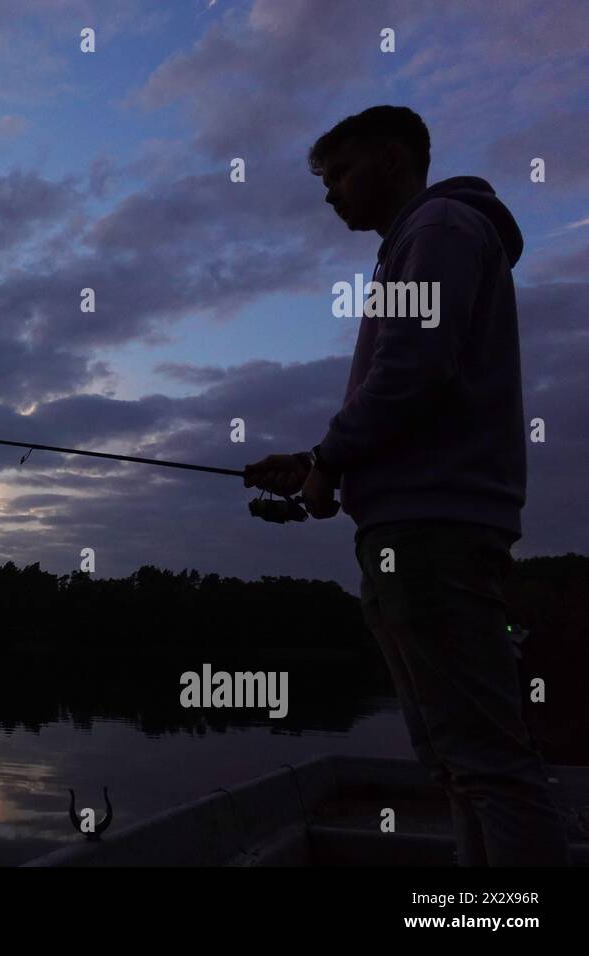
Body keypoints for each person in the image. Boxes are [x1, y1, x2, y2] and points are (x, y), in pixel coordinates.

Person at [244, 105, 569, 866]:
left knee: (485, 762)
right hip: (416, 529)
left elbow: (412, 374)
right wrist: (322, 463)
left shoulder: (440, 231)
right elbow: (410, 392)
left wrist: (331, 460)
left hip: (431, 535)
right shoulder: (421, 244)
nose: (330, 196)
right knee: (457, 761)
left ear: (392, 160)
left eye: (340, 174)